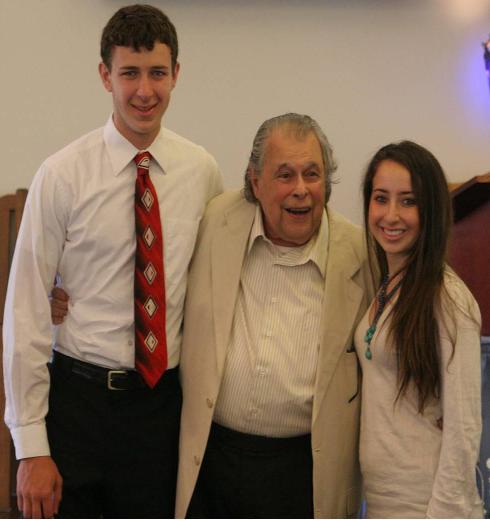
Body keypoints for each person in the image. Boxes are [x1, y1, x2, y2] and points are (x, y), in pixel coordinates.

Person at [3, 4, 222, 518]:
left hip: (161, 408)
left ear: (176, 74)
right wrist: (31, 444)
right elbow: (26, 308)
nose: (144, 91)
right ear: (105, 75)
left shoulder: (202, 172)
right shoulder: (61, 175)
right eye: (129, 73)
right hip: (79, 405)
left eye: (157, 73)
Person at [174, 113, 374, 518]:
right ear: (255, 182)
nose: (301, 190)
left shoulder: (360, 253)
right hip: (212, 461)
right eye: (285, 175)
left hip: (303, 471)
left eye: (312, 174)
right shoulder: (213, 222)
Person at [355, 140, 483, 518]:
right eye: (381, 198)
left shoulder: (447, 298)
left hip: (427, 506)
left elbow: (464, 427)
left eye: (408, 201)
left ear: (431, 210)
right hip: (382, 502)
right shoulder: (390, 282)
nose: (391, 215)